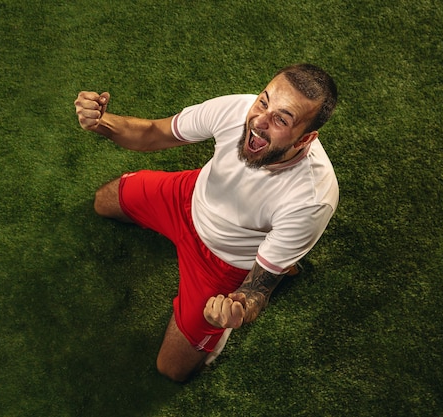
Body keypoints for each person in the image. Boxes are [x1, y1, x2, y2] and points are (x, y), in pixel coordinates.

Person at [74, 64, 338, 382]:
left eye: (282, 119)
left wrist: (237, 307)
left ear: (305, 137)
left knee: (171, 369)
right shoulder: (235, 109)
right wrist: (100, 122)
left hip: (223, 262)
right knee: (103, 202)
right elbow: (152, 134)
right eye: (264, 101)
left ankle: (245, 304)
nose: (259, 121)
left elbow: (258, 291)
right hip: (186, 198)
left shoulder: (311, 198)